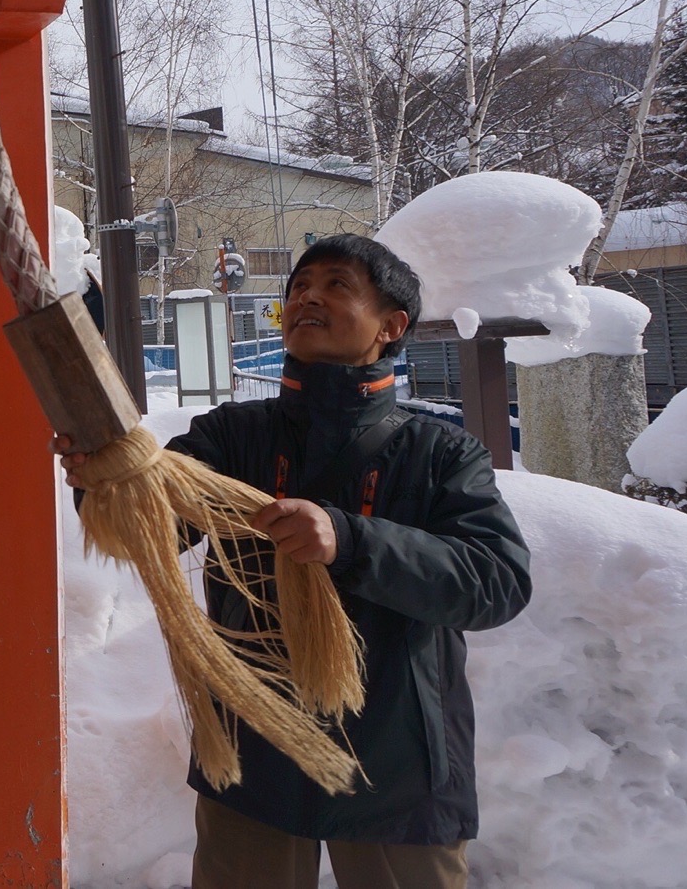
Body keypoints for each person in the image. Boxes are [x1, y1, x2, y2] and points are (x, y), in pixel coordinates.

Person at [59, 233, 530, 889]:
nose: (307, 295)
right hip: (254, 756)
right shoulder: (232, 436)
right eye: (298, 287)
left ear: (391, 325)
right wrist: (104, 480)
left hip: (398, 766)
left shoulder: (439, 455)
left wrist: (349, 539)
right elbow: (155, 534)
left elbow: (496, 581)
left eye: (336, 284)